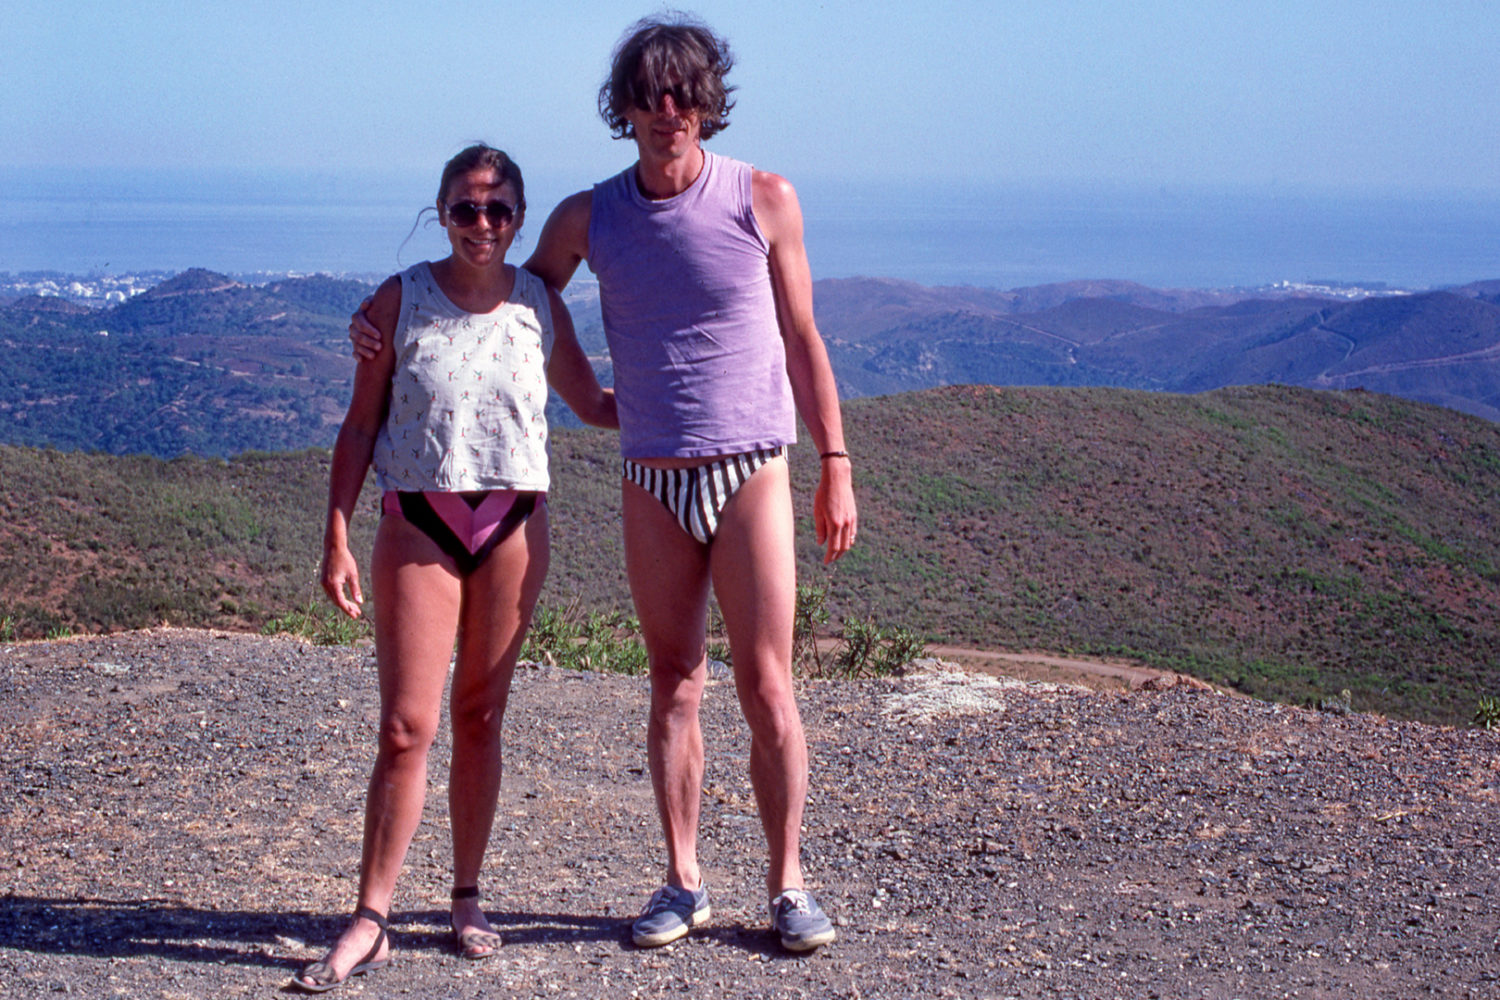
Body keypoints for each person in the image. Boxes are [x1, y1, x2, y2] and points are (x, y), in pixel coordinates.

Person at [352, 13, 855, 953]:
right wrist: (384, 320)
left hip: (751, 463)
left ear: (707, 105)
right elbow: (512, 293)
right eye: (647, 96)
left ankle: (789, 885)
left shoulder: (766, 197)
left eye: (683, 95)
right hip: (650, 469)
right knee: (673, 679)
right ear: (622, 109)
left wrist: (836, 462)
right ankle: (683, 880)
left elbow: (804, 339)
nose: (667, 112)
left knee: (767, 682)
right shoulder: (589, 217)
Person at [295, 144, 615, 992]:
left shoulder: (540, 304)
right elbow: (361, 427)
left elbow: (592, 404)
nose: (483, 224)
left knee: (480, 718)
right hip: (418, 522)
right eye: (467, 208)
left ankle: (466, 896)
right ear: (441, 213)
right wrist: (335, 534)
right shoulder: (398, 301)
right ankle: (371, 915)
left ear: (518, 220)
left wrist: (705, 391)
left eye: (500, 210)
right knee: (406, 728)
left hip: (513, 523)